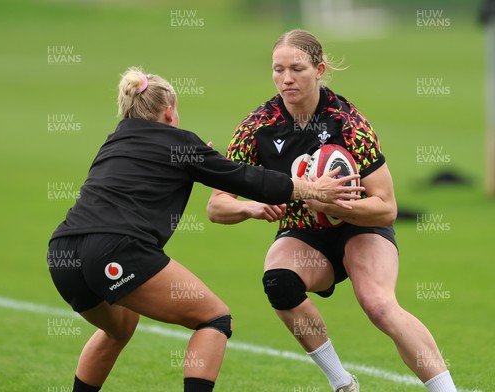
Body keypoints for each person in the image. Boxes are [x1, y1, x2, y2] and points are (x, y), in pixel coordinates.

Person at [47, 66, 362, 392]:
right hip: (115, 250)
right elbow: (246, 178)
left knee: (120, 327)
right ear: (169, 112)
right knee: (214, 319)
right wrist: (311, 190)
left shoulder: (114, 142)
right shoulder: (180, 142)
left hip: (63, 255)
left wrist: (206, 168)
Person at [207, 30, 457, 392]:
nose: (286, 79)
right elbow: (217, 206)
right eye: (278, 70)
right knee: (279, 282)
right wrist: (251, 207)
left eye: (297, 68)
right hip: (305, 235)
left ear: (319, 69)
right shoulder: (257, 128)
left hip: (360, 227)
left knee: (379, 305)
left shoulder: (348, 123)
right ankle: (342, 383)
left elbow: (386, 208)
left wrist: (336, 204)